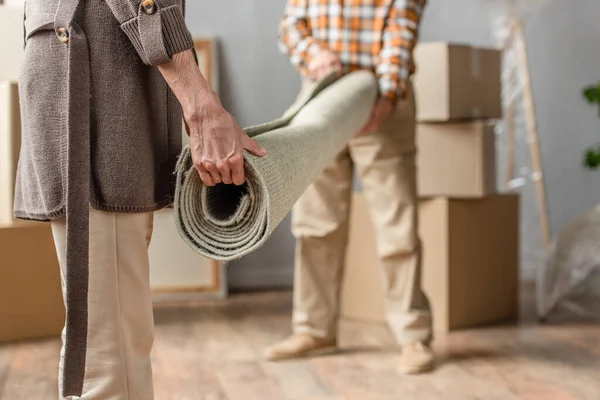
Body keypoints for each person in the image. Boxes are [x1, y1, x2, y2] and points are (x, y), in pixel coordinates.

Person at [15, 0, 265, 398]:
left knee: (115, 331)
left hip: (100, 70)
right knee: (110, 351)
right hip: (99, 80)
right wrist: (201, 106)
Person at [264, 0, 434, 374]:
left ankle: (412, 336)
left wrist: (387, 93)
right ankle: (314, 331)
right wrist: (314, 54)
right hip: (322, 97)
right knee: (314, 222)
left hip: (382, 96)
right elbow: (292, 24)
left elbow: (401, 29)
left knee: (397, 225)